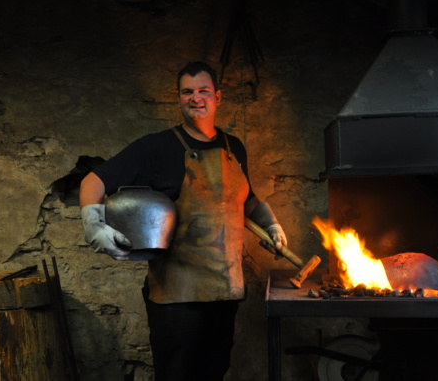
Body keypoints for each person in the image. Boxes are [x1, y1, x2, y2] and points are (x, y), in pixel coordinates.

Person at [79, 61, 287, 381]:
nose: (195, 98)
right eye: (186, 92)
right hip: (177, 299)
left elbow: (246, 200)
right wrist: (94, 223)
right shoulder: (157, 147)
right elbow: (92, 181)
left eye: (203, 91)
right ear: (178, 99)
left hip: (225, 291)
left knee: (215, 372)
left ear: (217, 96)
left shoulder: (235, 148)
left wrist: (272, 225)